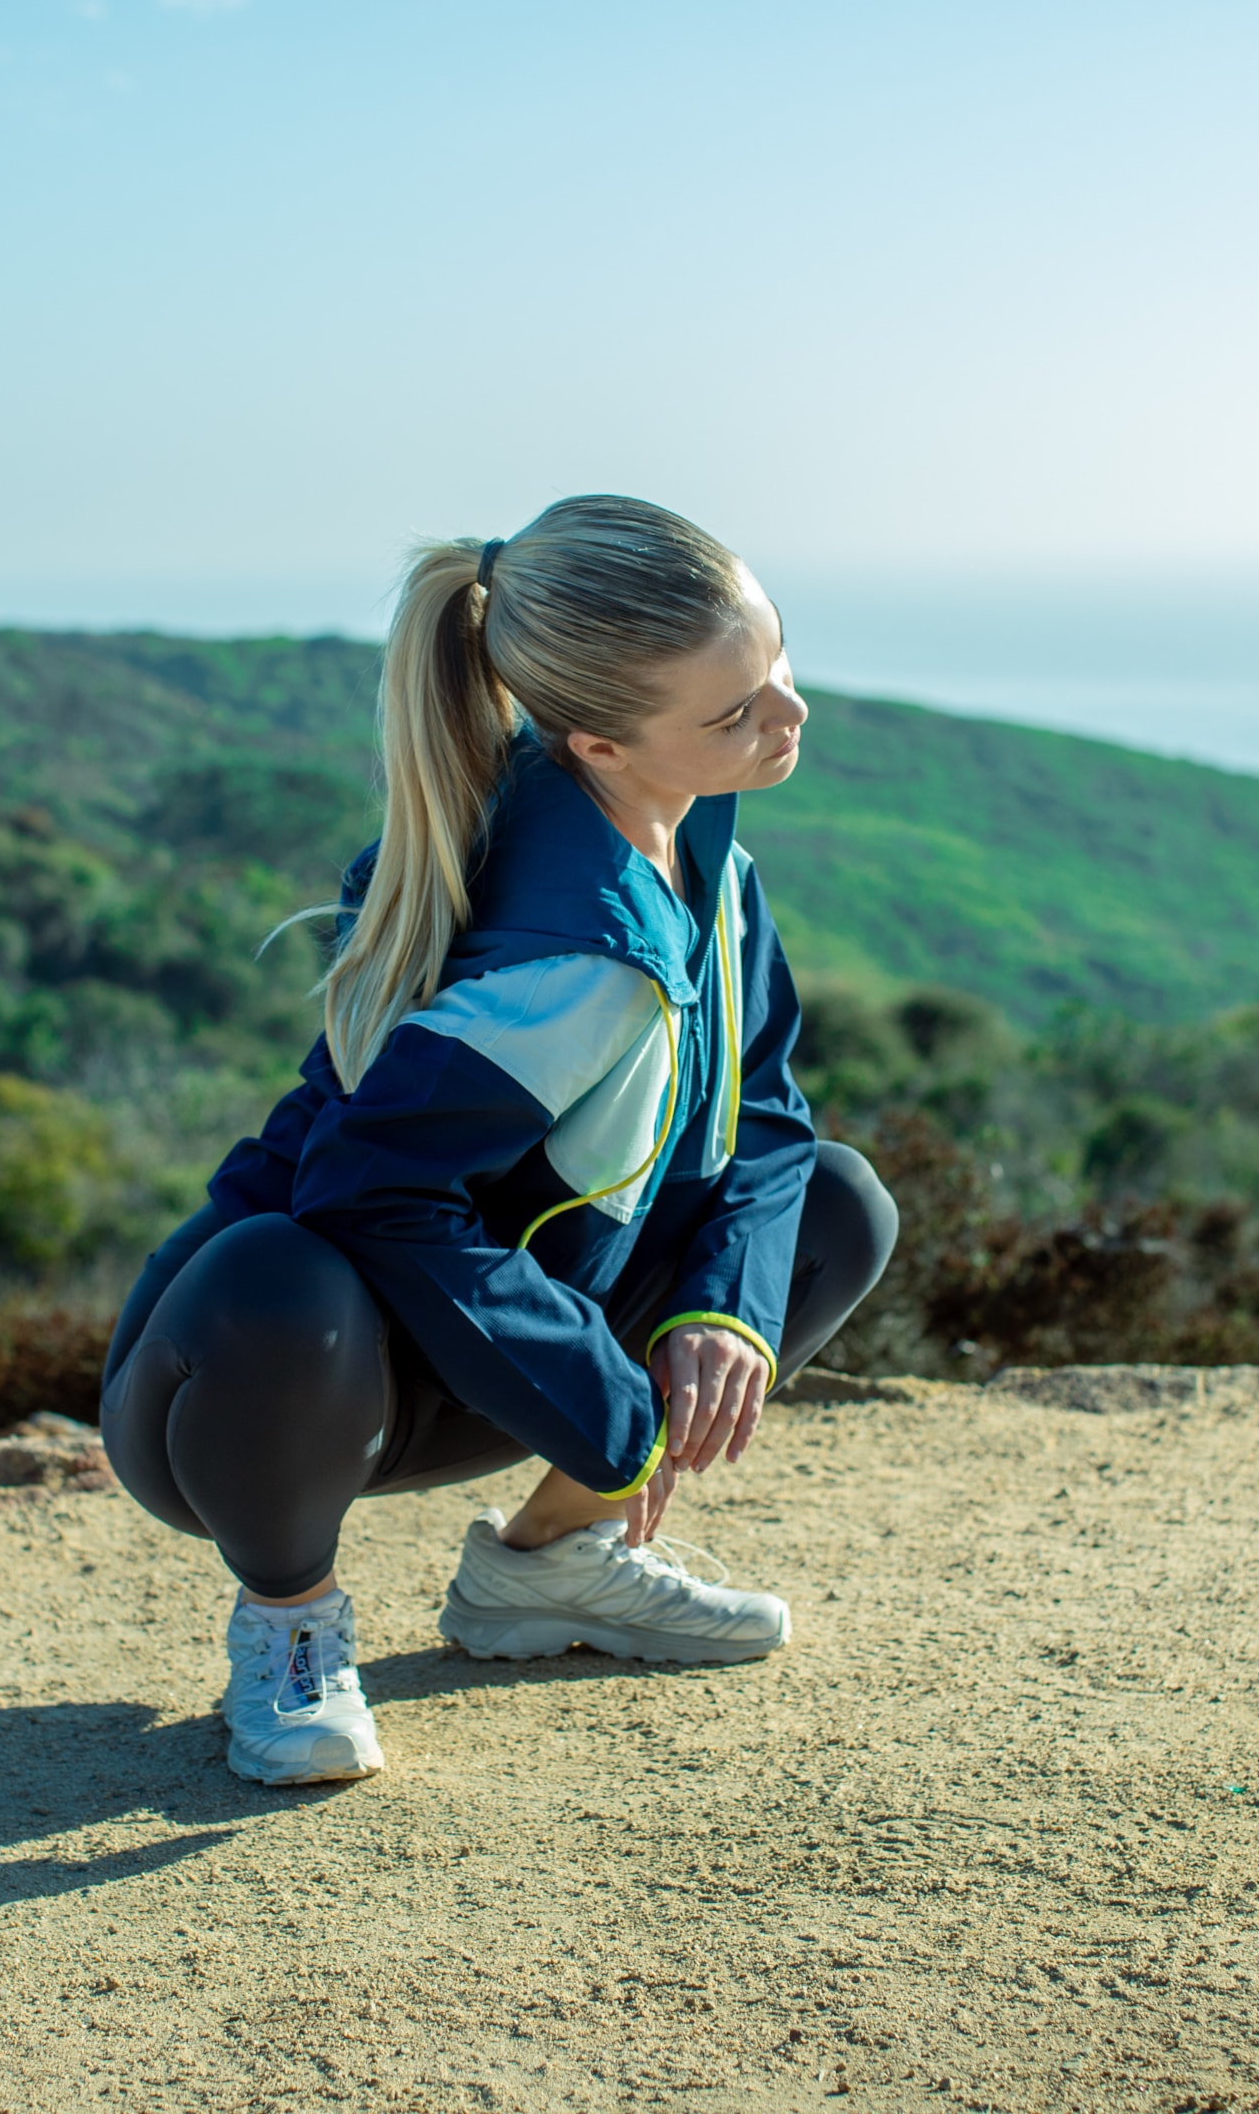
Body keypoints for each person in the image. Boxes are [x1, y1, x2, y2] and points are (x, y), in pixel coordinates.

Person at [100, 495, 899, 1785]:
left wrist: (719, 1314)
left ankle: (554, 1571)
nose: (788, 718)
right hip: (264, 1394)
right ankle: (291, 1631)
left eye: (780, 668)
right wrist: (608, 1404)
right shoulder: (572, 958)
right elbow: (365, 1191)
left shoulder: (705, 863)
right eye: (735, 713)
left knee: (837, 1208)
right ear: (596, 742)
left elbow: (765, 1117)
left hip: (484, 1343)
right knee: (278, 1272)